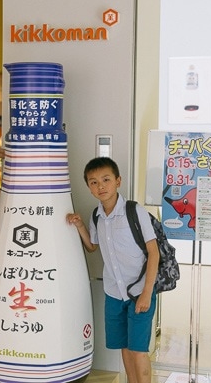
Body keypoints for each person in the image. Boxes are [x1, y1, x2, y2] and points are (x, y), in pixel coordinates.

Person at [66, 157, 159, 383]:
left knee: (138, 349)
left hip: (139, 291)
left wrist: (147, 292)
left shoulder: (134, 211)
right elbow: (92, 247)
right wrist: (79, 226)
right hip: (113, 293)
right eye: (94, 182)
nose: (101, 186)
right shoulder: (96, 215)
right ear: (88, 187)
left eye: (106, 180)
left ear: (118, 181)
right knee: (124, 348)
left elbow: (154, 252)